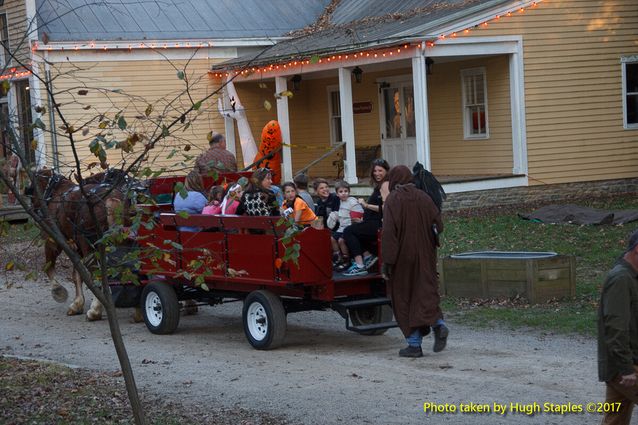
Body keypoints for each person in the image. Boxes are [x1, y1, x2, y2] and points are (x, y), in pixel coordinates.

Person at [381, 165, 448, 358]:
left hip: (403, 258)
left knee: (404, 298)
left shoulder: (393, 199)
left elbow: (388, 233)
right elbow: (439, 225)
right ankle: (439, 324)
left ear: (394, 179)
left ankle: (414, 344)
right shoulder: (424, 197)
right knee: (425, 292)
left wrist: (388, 261)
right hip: (425, 255)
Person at [598, 229, 638, 425]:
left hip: (624, 364)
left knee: (615, 419)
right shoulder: (621, 279)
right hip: (626, 366)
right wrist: (626, 368)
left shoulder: (632, 277)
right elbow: (615, 327)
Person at [342, 159, 389, 277]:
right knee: (354, 229)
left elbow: (386, 207)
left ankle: (360, 265)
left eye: (380, 170)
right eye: (375, 171)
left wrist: (366, 205)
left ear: (386, 171)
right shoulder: (380, 185)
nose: (377, 173)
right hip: (371, 221)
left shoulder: (385, 185)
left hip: (378, 224)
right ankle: (367, 257)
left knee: (348, 231)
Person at [327, 180, 364, 271]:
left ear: (349, 192)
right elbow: (339, 216)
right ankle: (338, 256)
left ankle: (347, 260)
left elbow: (359, 213)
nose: (343, 194)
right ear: (337, 194)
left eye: (345, 191)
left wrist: (357, 219)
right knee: (332, 238)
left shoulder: (352, 201)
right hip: (341, 228)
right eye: (341, 192)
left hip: (350, 228)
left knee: (341, 240)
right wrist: (335, 216)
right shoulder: (340, 203)